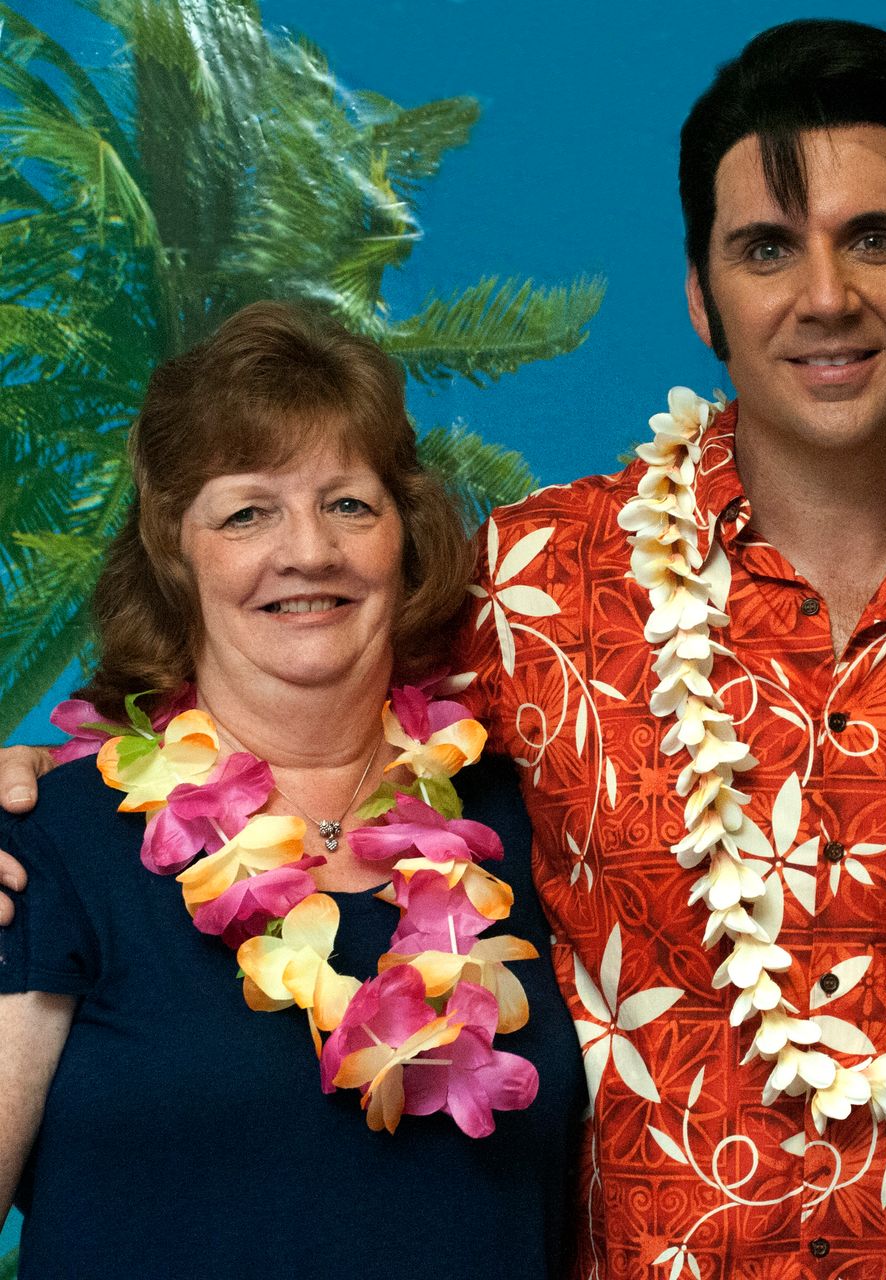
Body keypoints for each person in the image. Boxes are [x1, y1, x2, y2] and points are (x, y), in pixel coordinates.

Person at [0, 21, 886, 1276]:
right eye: (766, 247)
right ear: (701, 295)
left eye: (875, 237)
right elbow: (288, 679)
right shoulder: (536, 582)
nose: (824, 296)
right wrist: (37, 796)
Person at [0, 302, 585, 1276]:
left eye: (349, 504)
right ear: (175, 553)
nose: (309, 550)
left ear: (405, 537)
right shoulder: (51, 846)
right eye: (247, 512)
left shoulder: (530, 820)